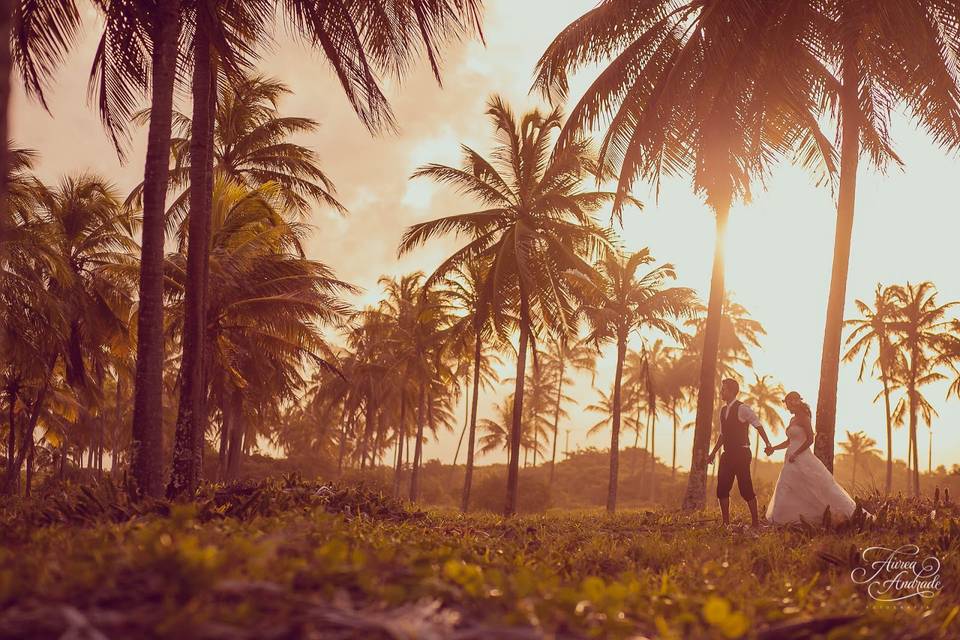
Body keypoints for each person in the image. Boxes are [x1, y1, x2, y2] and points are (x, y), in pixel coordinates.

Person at [764, 391, 861, 524]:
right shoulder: (793, 420)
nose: (788, 408)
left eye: (788, 405)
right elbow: (789, 441)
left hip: (801, 457)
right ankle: (781, 518)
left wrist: (796, 453)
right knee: (786, 487)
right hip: (790, 458)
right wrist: (773, 448)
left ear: (794, 403)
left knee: (814, 487)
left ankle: (835, 513)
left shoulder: (804, 418)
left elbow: (810, 439)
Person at [707, 378, 774, 528]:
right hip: (727, 454)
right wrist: (712, 453)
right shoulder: (723, 410)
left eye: (723, 389)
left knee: (745, 488)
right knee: (722, 489)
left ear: (731, 391)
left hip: (742, 453)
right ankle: (726, 523)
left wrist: (768, 444)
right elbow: (723, 435)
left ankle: (755, 523)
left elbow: (758, 426)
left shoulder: (742, 408)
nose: (721, 391)